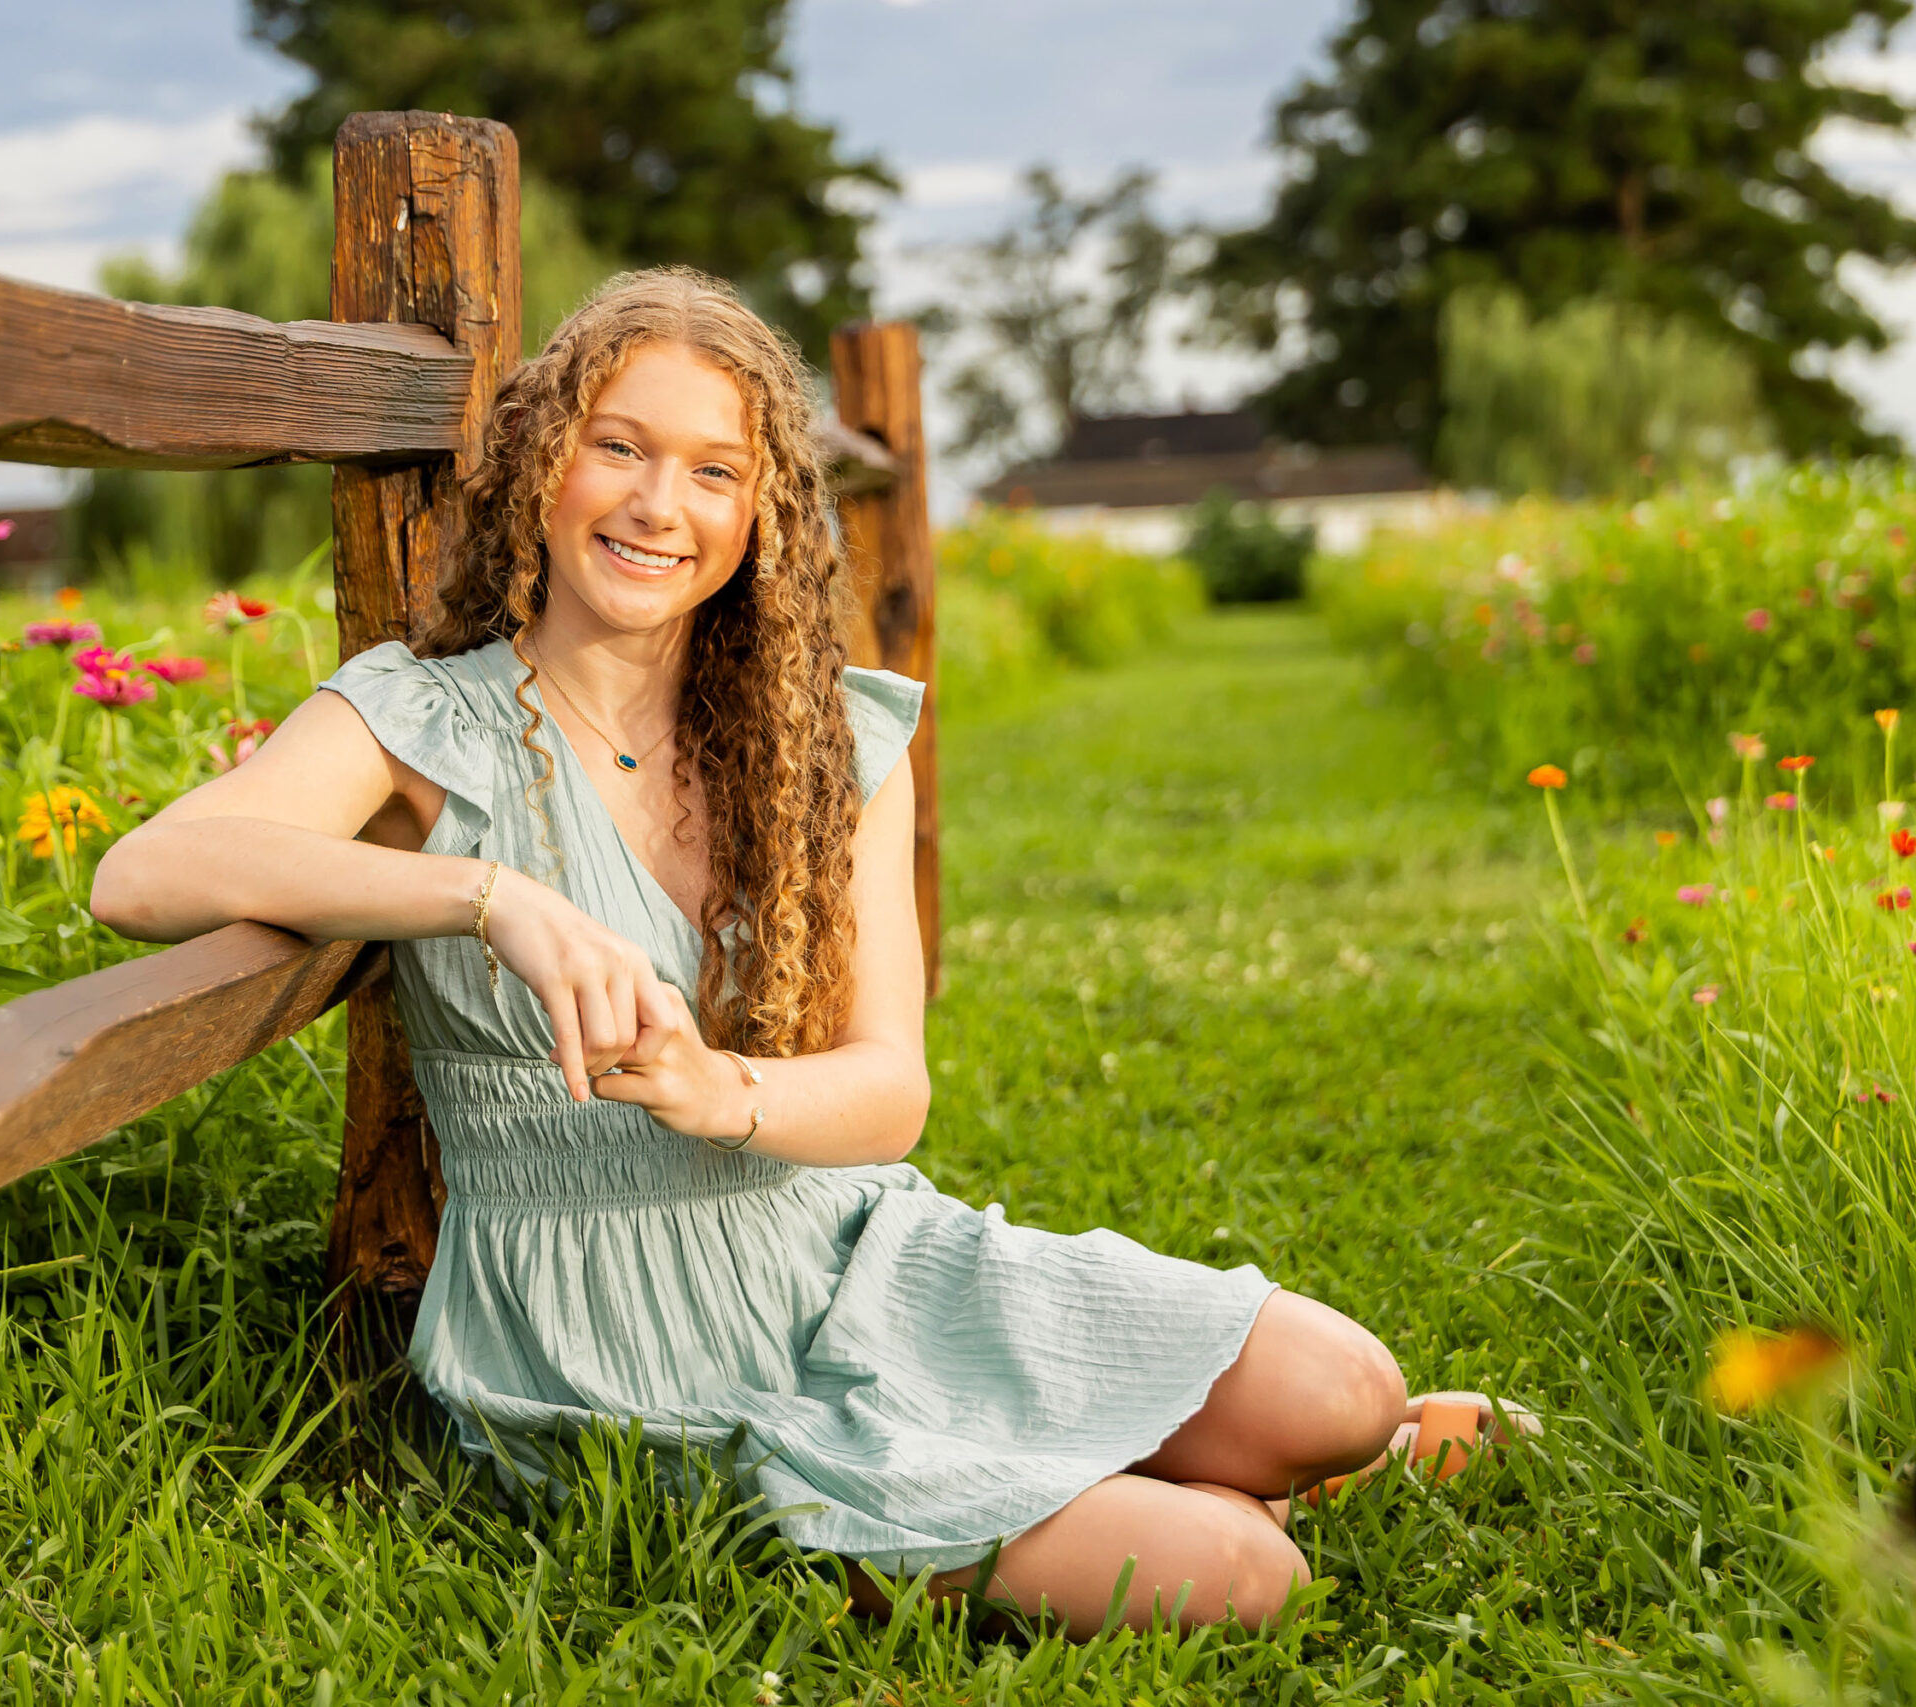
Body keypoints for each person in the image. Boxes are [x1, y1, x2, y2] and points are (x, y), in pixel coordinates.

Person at [90, 267, 1532, 1634]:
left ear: (765, 508)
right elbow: (145, 871)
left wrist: (732, 1097)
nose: (662, 505)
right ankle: (1149, 1504)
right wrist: (486, 895)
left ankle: (1200, 1468)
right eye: (622, 449)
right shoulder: (426, 717)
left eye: (715, 471)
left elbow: (889, 1095)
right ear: (541, 465)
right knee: (1239, 1577)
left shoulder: (827, 740)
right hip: (610, 1329)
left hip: (836, 1244)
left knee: (1346, 1380)